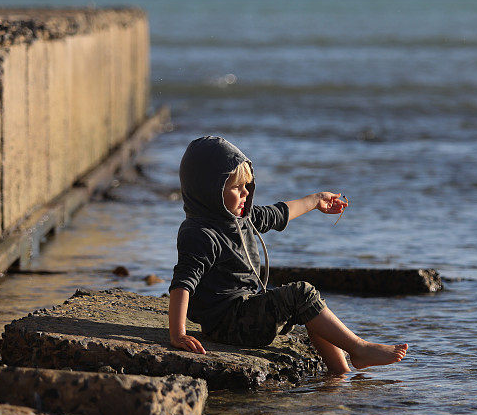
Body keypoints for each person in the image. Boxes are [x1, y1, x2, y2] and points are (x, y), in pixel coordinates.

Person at [168, 135, 408, 374]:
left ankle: (341, 373)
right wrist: (178, 334)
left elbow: (279, 213)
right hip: (228, 323)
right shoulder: (200, 233)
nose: (245, 194)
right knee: (301, 293)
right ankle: (359, 348)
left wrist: (316, 200)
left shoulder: (243, 218)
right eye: (236, 187)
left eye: (247, 186)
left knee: (309, 306)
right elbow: (183, 284)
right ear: (209, 189)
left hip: (246, 310)